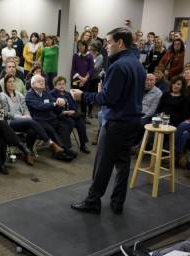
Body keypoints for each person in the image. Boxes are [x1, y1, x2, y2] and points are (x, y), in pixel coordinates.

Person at [70, 27, 145, 215]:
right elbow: (123, 94)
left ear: (120, 43)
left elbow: (108, 99)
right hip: (132, 121)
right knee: (123, 163)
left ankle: (93, 201)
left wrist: (82, 96)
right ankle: (117, 202)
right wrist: (104, 90)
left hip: (116, 123)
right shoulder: (137, 64)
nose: (107, 46)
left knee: (103, 163)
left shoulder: (118, 66)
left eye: (109, 42)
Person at [0, 74, 64, 155]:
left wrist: (27, 115)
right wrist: (21, 117)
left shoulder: (19, 95)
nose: (12, 83)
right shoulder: (2, 95)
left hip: (23, 120)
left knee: (32, 131)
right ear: (5, 84)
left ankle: (27, 152)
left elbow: (25, 108)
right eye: (9, 82)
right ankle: (50, 142)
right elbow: (5, 113)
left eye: (13, 81)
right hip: (10, 121)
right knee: (31, 121)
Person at [25, 75, 76, 161]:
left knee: (64, 125)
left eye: (43, 81)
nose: (42, 82)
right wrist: (55, 103)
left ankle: (63, 149)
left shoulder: (45, 93)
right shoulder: (29, 95)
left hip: (49, 118)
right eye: (39, 81)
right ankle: (61, 151)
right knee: (51, 130)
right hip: (38, 120)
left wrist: (61, 101)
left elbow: (54, 100)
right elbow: (40, 106)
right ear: (32, 84)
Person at [50, 76, 90, 153]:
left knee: (81, 122)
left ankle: (83, 144)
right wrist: (63, 112)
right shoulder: (51, 94)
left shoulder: (68, 94)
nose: (62, 86)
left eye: (63, 84)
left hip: (71, 114)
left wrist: (73, 110)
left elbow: (75, 105)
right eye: (59, 84)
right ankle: (65, 146)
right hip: (60, 115)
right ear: (55, 85)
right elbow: (53, 108)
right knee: (71, 122)